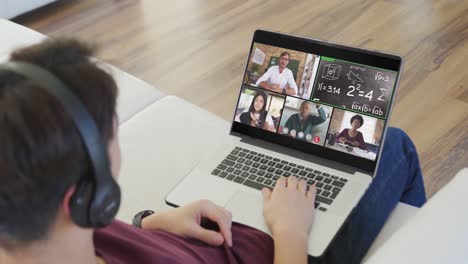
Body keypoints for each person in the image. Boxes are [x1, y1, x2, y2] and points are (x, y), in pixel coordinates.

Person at [0, 39, 426, 264]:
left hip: (219, 233)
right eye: (111, 134)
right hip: (286, 246)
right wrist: (292, 233)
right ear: (85, 198)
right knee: (396, 146)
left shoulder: (42, 226)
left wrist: (151, 225)